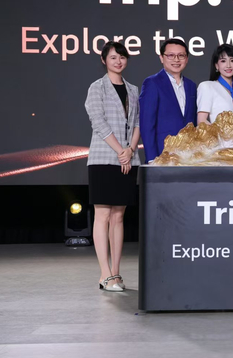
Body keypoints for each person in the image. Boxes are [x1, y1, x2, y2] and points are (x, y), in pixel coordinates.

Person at [85, 41, 141, 292]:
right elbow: (98, 122)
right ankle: (104, 274)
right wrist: (121, 151)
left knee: (119, 216)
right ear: (104, 60)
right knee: (103, 215)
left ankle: (116, 273)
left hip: (128, 159)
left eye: (122, 57)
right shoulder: (96, 87)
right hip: (103, 158)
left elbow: (138, 123)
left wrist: (130, 150)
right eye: (113, 57)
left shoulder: (133, 89)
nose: (118, 61)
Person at [139, 38, 197, 163]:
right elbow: (147, 125)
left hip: (189, 157)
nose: (176, 60)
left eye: (181, 55)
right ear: (161, 58)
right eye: (171, 55)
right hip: (162, 155)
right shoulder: (152, 83)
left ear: (187, 59)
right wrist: (152, 159)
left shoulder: (191, 86)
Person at [197, 44, 233, 124]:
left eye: (232, 60)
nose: (228, 65)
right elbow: (202, 122)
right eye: (223, 61)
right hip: (216, 132)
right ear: (216, 66)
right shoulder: (207, 87)